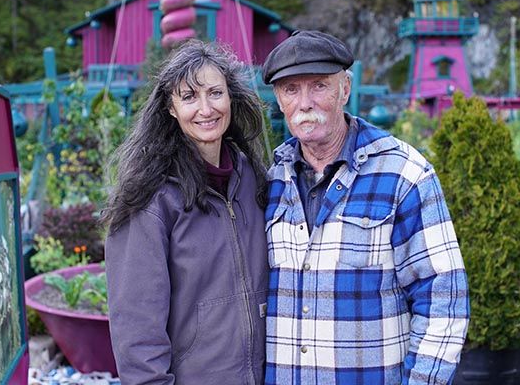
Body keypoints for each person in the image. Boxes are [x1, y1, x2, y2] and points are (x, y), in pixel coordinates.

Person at [261, 30, 469, 384]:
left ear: (345, 88)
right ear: (279, 100)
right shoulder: (271, 181)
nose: (305, 102)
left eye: (319, 85)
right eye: (291, 89)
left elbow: (444, 299)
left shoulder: (405, 174)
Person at [102, 40, 269, 385]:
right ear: (171, 108)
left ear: (231, 98)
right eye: (189, 96)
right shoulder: (152, 197)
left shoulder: (254, 177)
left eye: (215, 93)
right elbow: (136, 326)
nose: (206, 108)